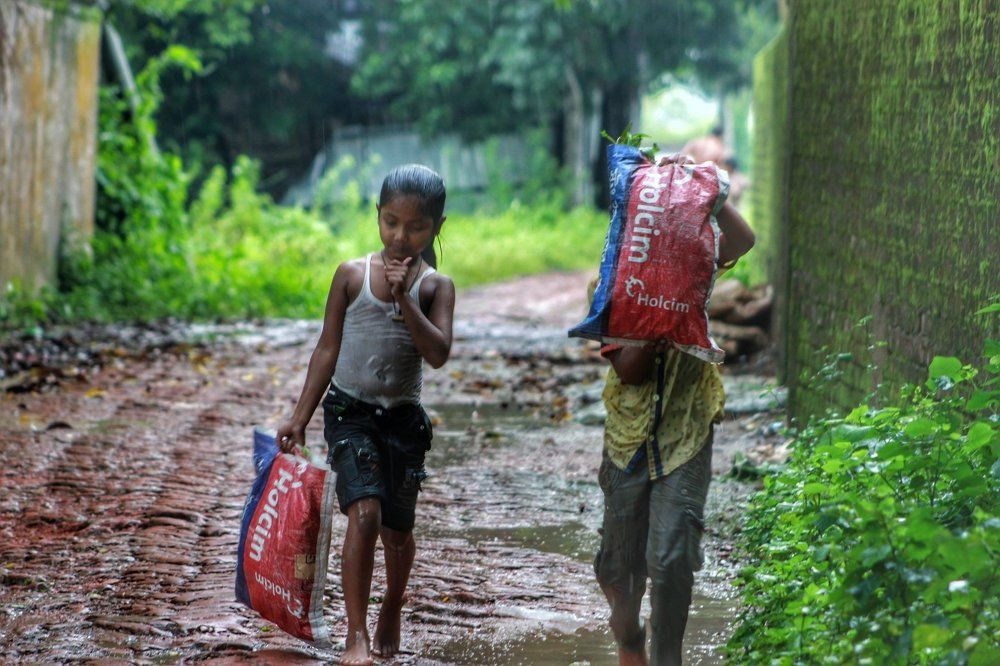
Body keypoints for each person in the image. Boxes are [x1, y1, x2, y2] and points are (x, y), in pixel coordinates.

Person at [275, 164, 455, 666]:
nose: (401, 236)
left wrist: (403, 297)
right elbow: (327, 349)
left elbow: (437, 353)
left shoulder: (436, 286)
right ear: (377, 216)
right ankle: (356, 633)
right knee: (367, 512)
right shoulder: (351, 275)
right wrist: (299, 416)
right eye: (391, 222)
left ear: (437, 227)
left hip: (403, 421)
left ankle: (391, 607)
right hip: (350, 411)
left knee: (398, 531)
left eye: (416, 227)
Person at [593, 153, 755, 666]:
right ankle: (629, 639)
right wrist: (657, 321)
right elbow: (628, 371)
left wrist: (704, 183)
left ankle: (668, 659)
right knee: (617, 570)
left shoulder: (696, 261)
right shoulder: (614, 280)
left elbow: (744, 241)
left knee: (672, 558)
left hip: (687, 428)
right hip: (628, 437)